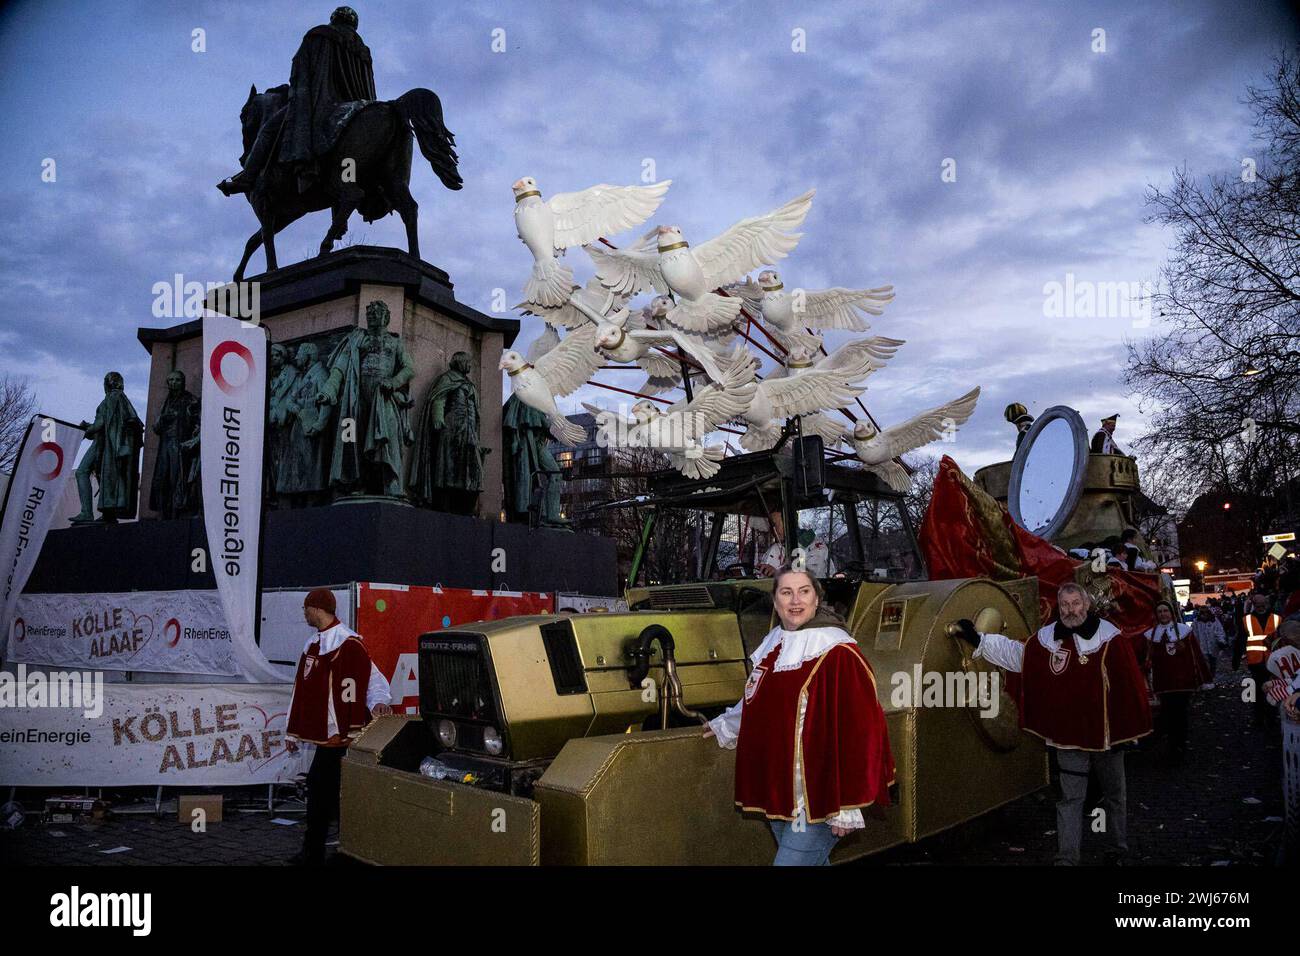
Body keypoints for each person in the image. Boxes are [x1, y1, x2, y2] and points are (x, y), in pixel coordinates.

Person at [704, 566, 895, 866]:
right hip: (780, 791)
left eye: (804, 591)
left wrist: (846, 805)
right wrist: (724, 726)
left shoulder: (837, 652)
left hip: (821, 798)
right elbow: (756, 701)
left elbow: (862, 731)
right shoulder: (773, 646)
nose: (795, 601)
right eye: (786, 592)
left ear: (817, 599)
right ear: (775, 600)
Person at [956, 582, 1152, 865]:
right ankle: (1067, 857)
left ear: (1086, 605)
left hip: (1108, 737)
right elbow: (1017, 655)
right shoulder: (1048, 639)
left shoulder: (1110, 637)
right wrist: (979, 640)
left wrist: (1126, 732)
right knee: (1070, 798)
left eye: (1075, 604)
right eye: (1064, 605)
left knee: (1114, 795)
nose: (1070, 610)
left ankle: (1117, 847)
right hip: (1068, 734)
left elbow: (1128, 687)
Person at [219, 6, 376, 196]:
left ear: (334, 19)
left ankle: (246, 179)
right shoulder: (363, 50)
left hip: (321, 101)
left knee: (268, 130)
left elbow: (300, 69)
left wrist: (298, 94)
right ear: (354, 24)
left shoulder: (319, 35)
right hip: (357, 104)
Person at [286, 588, 392, 865]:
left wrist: (378, 701)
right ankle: (320, 850)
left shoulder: (350, 644)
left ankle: (340, 851)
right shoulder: (312, 645)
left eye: (306, 608)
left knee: (338, 794)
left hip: (344, 738)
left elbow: (373, 679)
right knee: (324, 792)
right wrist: (293, 729)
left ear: (317, 608)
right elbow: (301, 691)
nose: (304, 613)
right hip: (327, 739)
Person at [1143, 600, 1211, 763]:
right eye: (1159, 611)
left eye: (1165, 611)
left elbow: (1196, 656)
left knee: (1180, 716)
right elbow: (1147, 659)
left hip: (1182, 684)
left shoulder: (1184, 632)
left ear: (1171, 613)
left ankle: (1178, 748)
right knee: (1168, 715)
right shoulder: (1150, 635)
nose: (1163, 614)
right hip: (1164, 684)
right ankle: (1171, 746)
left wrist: (1202, 679)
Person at [1244, 591, 1281, 726]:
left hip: (1273, 662)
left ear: (1266, 604)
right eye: (1258, 604)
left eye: (1262, 604)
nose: (1260, 606)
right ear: (1254, 605)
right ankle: (1259, 718)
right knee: (1258, 692)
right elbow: (1241, 639)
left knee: (1272, 690)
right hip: (1255, 662)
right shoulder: (1247, 619)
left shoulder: (1277, 618)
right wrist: (1236, 658)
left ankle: (1270, 718)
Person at [1191, 605, 1227, 679]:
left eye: (1205, 613)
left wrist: (1221, 642)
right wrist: (1195, 647)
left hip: (1213, 647)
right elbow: (1194, 635)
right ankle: (1207, 679)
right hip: (1202, 648)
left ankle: (1212, 678)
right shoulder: (1196, 622)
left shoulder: (1214, 621)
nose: (1204, 614)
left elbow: (1219, 632)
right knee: (1204, 665)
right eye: (1202, 613)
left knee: (1213, 664)